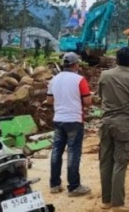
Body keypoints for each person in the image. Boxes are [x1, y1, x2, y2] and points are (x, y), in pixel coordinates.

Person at [97, 47, 129, 211]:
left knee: (105, 162)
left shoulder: (104, 75)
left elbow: (100, 95)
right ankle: (117, 204)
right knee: (120, 162)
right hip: (124, 127)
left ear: (116, 59)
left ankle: (106, 201)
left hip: (105, 124)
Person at [46, 52, 92, 197]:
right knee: (73, 153)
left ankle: (54, 184)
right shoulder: (80, 80)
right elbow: (87, 102)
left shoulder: (54, 80)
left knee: (57, 151)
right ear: (75, 65)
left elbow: (49, 101)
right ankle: (74, 186)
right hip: (74, 120)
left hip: (59, 119)